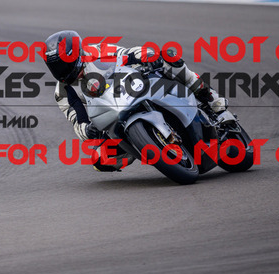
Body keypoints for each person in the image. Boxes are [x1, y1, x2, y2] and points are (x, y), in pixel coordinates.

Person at [43, 30, 228, 171]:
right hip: (111, 114)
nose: (62, 71)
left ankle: (211, 99)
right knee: (100, 160)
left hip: (134, 86)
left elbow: (129, 53)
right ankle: (146, 145)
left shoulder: (97, 51)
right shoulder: (63, 92)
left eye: (64, 63)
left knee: (167, 57)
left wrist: (147, 56)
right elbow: (76, 120)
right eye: (56, 67)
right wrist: (87, 131)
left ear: (76, 54)